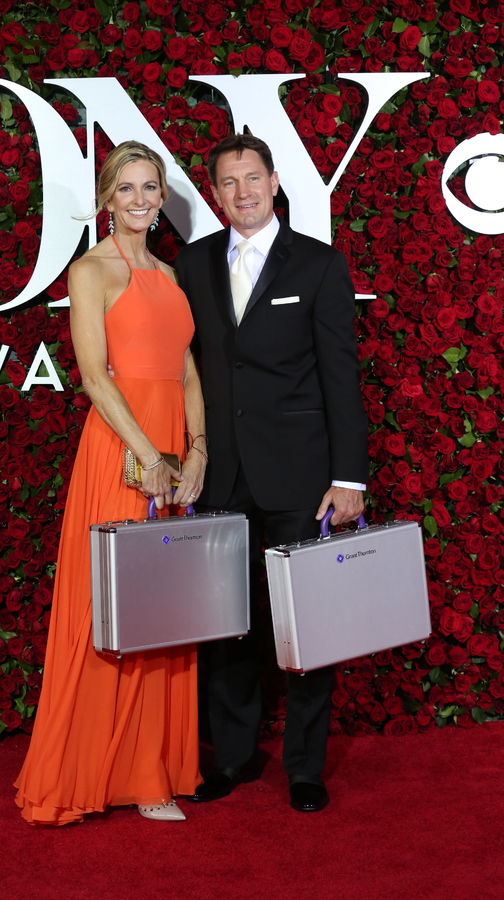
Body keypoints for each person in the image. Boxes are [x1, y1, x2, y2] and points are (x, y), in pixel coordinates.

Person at [14, 141, 207, 824]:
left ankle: (152, 768)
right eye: (125, 188)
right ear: (105, 197)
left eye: (149, 187)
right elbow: (95, 377)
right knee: (112, 609)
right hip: (120, 452)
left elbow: (186, 371)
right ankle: (93, 772)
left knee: (165, 608)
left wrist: (198, 450)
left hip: (173, 451)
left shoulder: (171, 274)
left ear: (161, 196)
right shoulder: (91, 270)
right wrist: (149, 454)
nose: (139, 199)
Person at [175, 133, 368, 813]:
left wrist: (350, 477)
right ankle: (231, 759)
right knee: (225, 626)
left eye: (252, 179)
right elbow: (186, 370)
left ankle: (306, 767)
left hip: (302, 478)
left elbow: (341, 378)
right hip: (222, 476)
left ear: (275, 180)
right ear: (216, 192)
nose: (242, 194)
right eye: (228, 183)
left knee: (307, 628)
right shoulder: (193, 265)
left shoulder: (317, 265)